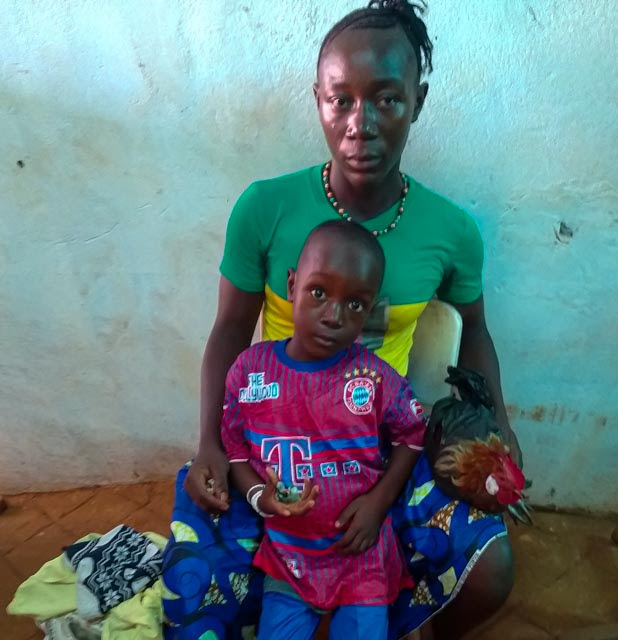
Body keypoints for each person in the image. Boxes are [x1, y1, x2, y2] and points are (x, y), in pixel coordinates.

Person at [162, 1, 521, 639]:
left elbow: (477, 332)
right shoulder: (265, 208)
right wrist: (212, 444)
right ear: (319, 100)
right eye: (340, 101)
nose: (362, 125)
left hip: (383, 455)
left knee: (490, 568)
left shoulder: (451, 231)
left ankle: (402, 619)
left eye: (387, 99)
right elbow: (228, 332)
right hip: (269, 454)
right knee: (196, 582)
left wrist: (498, 426)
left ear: (418, 100)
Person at [221, 220, 425, 640]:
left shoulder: (374, 378)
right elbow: (237, 453)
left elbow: (412, 435)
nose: (334, 316)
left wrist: (378, 502)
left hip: (362, 554)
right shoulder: (249, 372)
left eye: (355, 305)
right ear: (292, 286)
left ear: (370, 312)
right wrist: (263, 498)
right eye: (318, 293)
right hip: (289, 558)